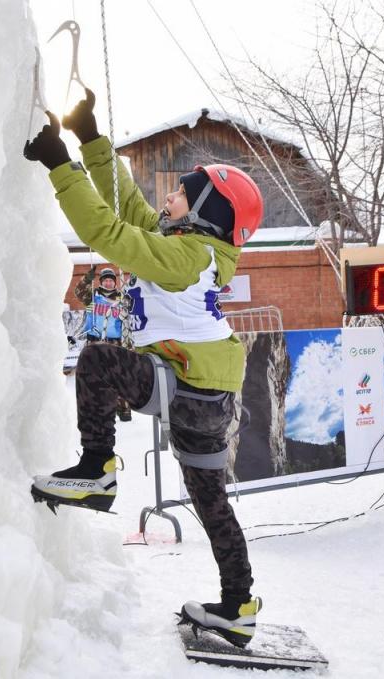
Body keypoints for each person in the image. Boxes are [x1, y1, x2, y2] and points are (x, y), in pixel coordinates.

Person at [24, 89, 264, 648]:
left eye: (183, 193)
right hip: (204, 391)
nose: (170, 195)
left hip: (187, 385)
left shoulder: (186, 256)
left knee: (99, 360)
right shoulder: (186, 245)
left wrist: (59, 165)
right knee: (210, 500)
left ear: (208, 212)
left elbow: (108, 232)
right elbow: (126, 206)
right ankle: (238, 605)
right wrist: (90, 139)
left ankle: (97, 467)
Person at [75, 264, 133, 420]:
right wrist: (88, 278)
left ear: (115, 282)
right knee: (95, 378)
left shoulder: (122, 299)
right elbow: (78, 291)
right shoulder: (92, 297)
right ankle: (96, 409)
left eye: (111, 280)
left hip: (116, 344)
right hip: (94, 343)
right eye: (105, 280)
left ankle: (123, 409)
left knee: (119, 376)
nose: (108, 283)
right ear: (101, 282)